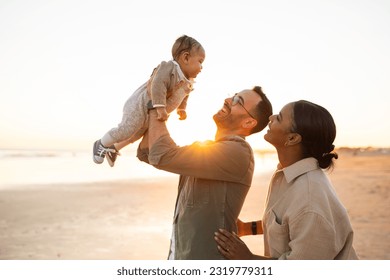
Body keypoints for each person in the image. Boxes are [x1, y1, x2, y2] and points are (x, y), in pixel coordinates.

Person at [137, 86, 273, 259]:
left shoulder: (237, 151)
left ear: (248, 122)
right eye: (233, 95)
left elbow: (161, 154)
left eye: (238, 101)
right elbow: (148, 153)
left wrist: (157, 104)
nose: (228, 100)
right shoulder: (209, 149)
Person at [214, 100, 358, 260]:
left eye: (280, 118)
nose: (271, 117)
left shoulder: (310, 201)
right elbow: (288, 223)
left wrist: (248, 259)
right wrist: (248, 228)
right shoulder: (287, 174)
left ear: (292, 138)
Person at [93, 35, 205, 167]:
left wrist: (182, 109)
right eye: (200, 61)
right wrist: (161, 107)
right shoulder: (169, 68)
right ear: (186, 57)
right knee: (127, 129)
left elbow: (184, 95)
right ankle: (101, 143)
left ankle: (114, 149)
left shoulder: (188, 82)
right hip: (140, 105)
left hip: (153, 111)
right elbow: (158, 84)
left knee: (135, 135)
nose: (202, 67)